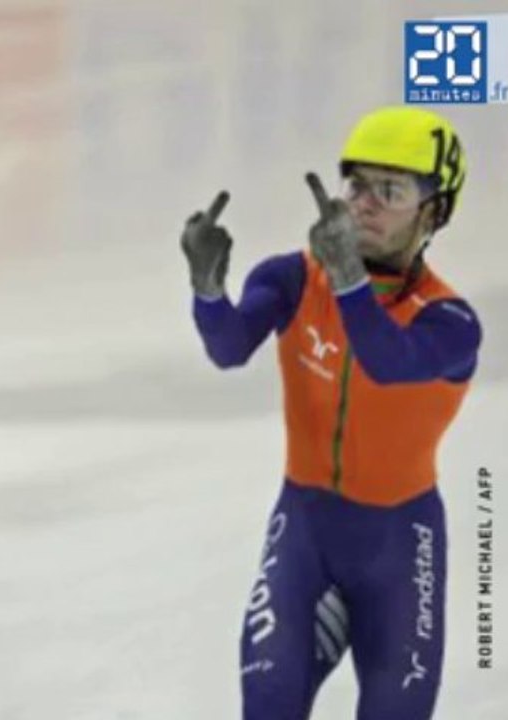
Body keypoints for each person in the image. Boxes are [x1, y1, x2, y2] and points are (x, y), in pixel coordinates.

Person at [181, 107, 481, 720]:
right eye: (356, 185)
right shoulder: (293, 279)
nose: (363, 204)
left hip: (401, 547)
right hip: (307, 529)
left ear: (433, 213)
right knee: (267, 704)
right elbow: (230, 347)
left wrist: (347, 280)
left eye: (389, 191)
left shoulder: (450, 322)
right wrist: (208, 293)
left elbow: (387, 360)